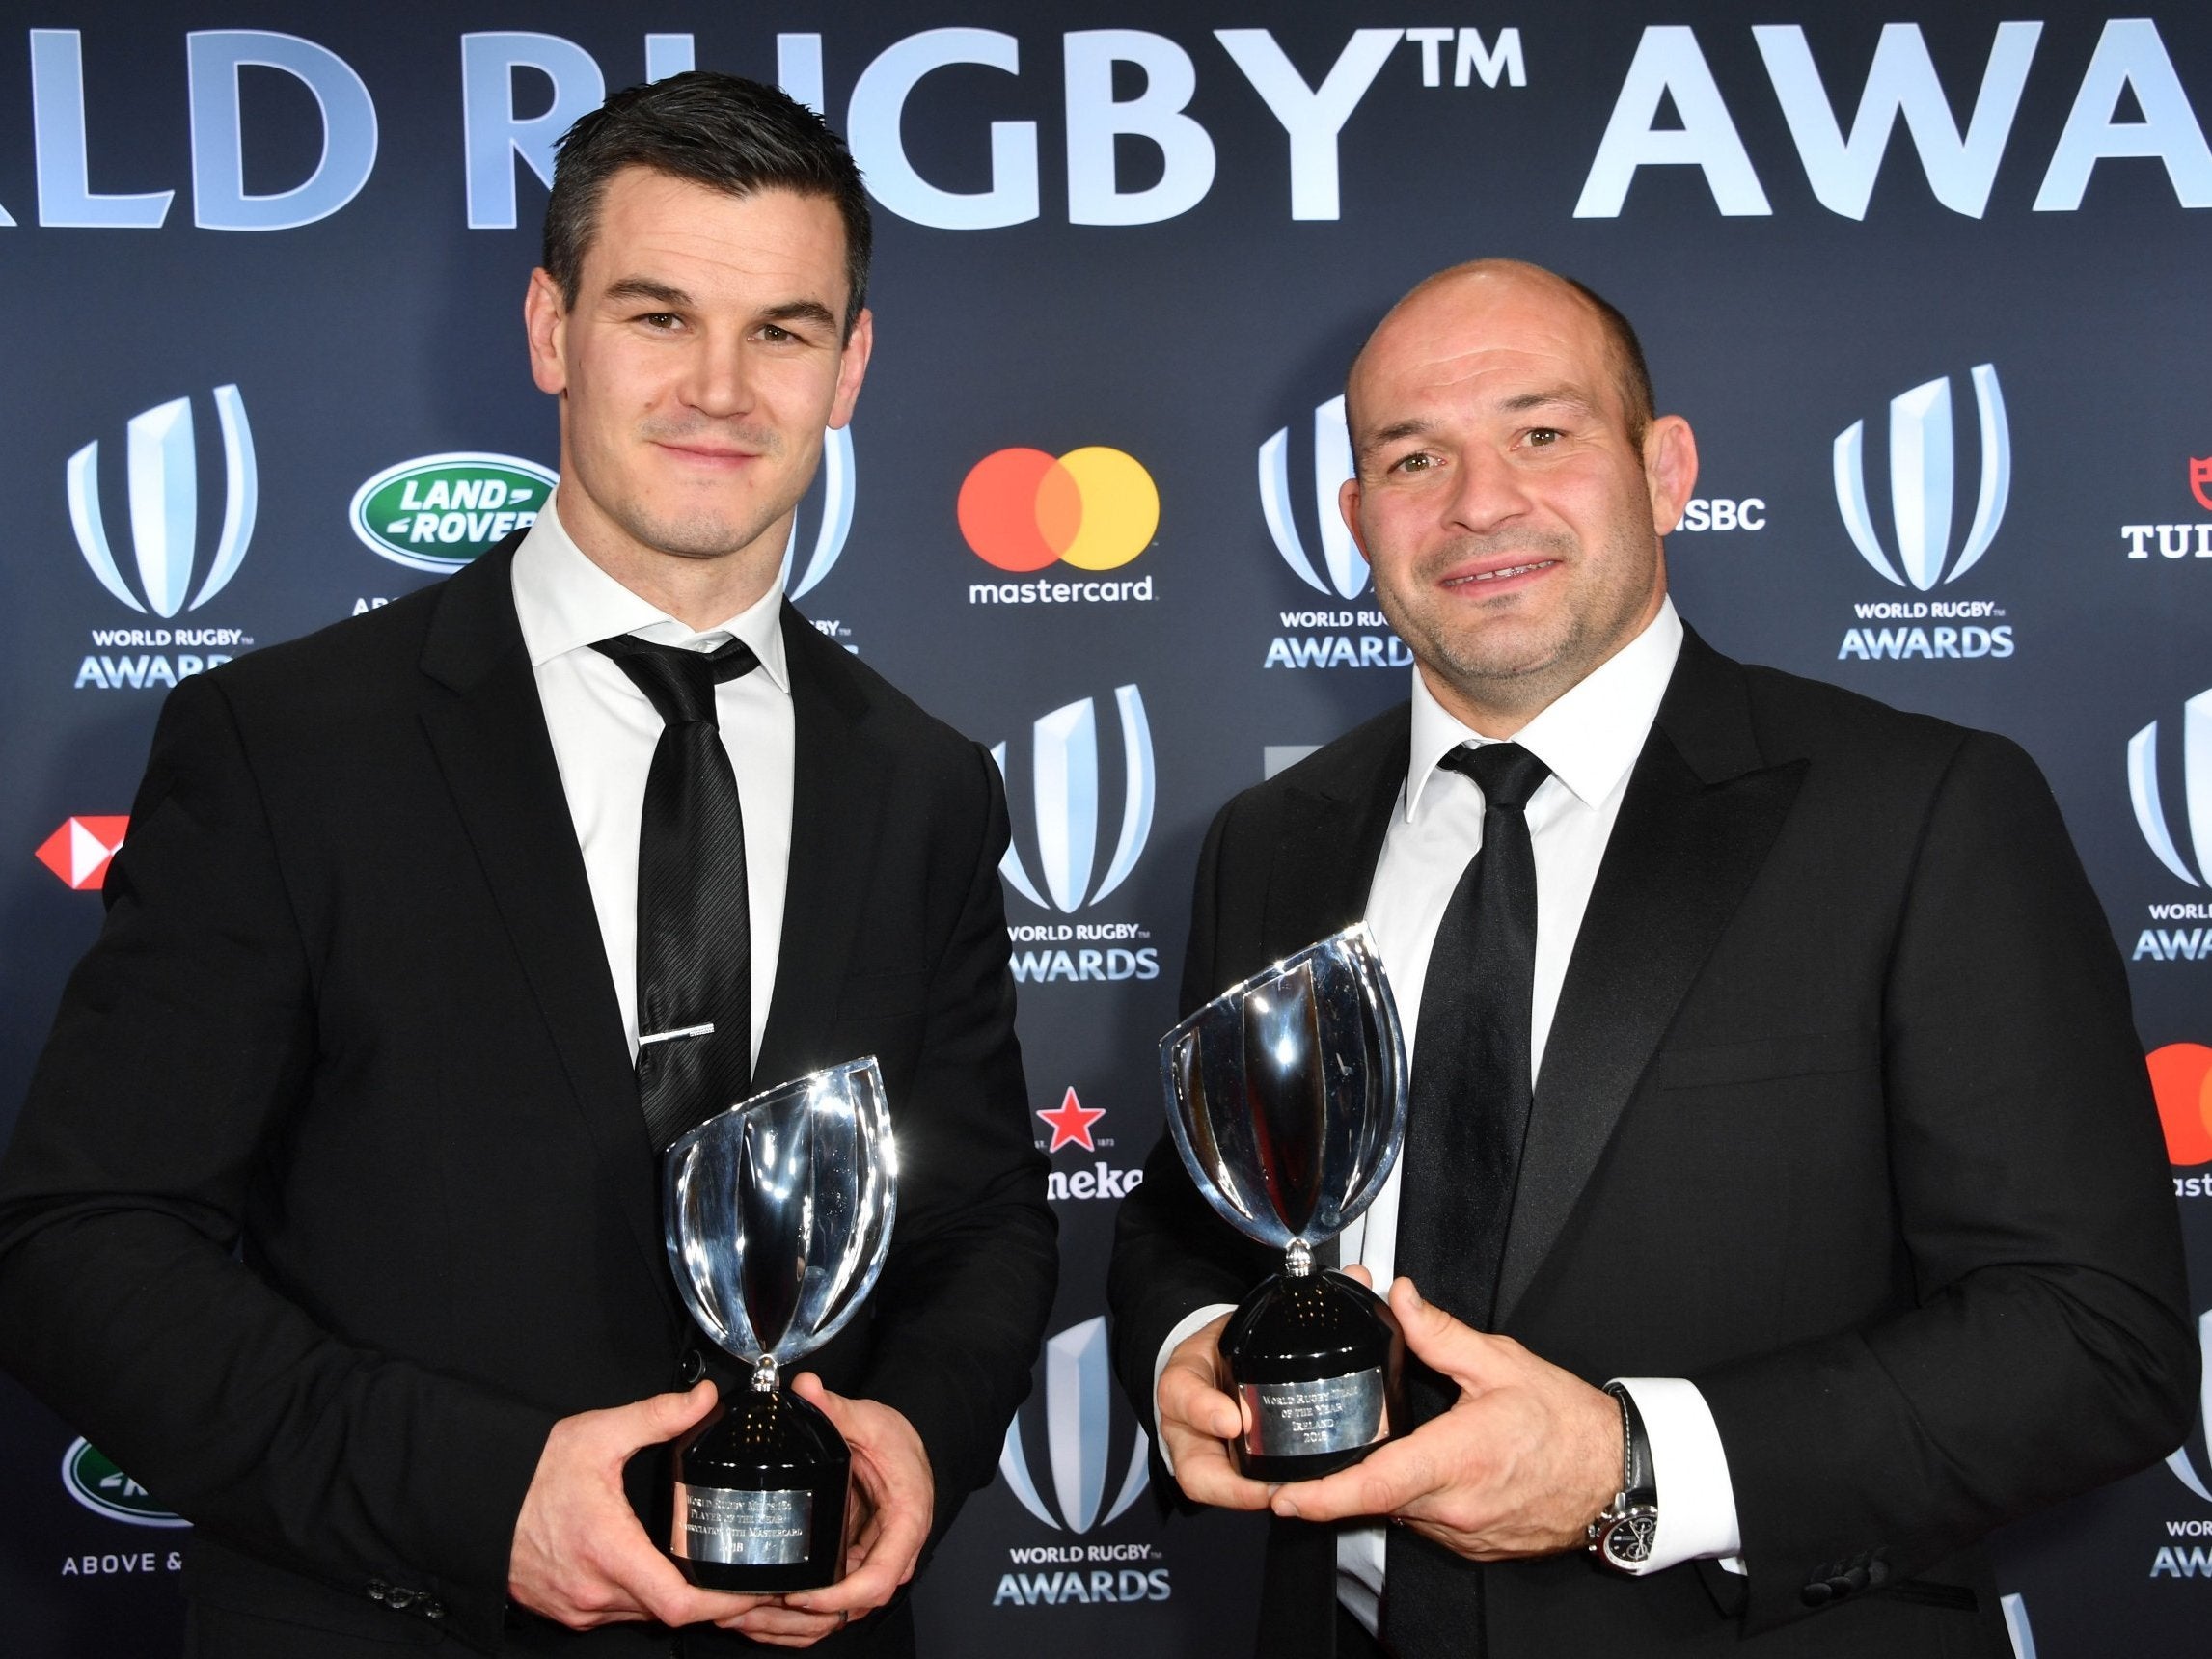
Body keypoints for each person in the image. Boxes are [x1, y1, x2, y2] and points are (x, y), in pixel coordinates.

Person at [0, 72, 1054, 1657]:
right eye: (656, 315)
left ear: (849, 368)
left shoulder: (928, 785)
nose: (718, 385)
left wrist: (915, 1433)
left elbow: (976, 1220)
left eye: (780, 329)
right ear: (551, 332)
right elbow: (81, 1244)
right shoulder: (285, 745)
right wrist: (486, 1496)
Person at [1107, 258, 2195, 1658]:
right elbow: (1191, 1219)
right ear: (1353, 518)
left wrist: (1630, 1461)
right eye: (1412, 456)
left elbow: (2093, 1342)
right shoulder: (1270, 841)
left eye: (1540, 434)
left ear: (1664, 468)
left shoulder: (1920, 810)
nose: (1478, 501)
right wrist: (1187, 1346)